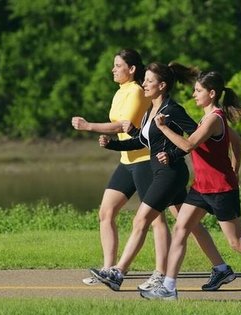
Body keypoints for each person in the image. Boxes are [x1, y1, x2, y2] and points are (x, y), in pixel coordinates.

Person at [140, 71, 241, 302]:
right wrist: (236, 165)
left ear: (211, 93)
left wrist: (163, 128)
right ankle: (169, 288)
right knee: (180, 229)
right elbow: (236, 141)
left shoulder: (214, 118)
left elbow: (189, 144)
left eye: (198, 91)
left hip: (221, 189)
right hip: (201, 187)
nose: (194, 94)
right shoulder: (206, 118)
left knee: (237, 243)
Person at [89, 62, 236, 292]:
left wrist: (174, 153)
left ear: (162, 85)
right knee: (189, 224)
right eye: (145, 80)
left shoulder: (173, 110)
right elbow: (143, 141)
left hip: (170, 174)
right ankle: (221, 268)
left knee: (141, 220)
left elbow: (193, 138)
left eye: (149, 80)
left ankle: (118, 272)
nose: (144, 84)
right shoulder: (151, 109)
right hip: (163, 172)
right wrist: (113, 144)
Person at [71, 49, 176, 290]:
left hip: (143, 161)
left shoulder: (137, 91)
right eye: (114, 65)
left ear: (132, 69)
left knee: (156, 219)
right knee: (106, 213)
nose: (113, 69)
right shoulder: (121, 92)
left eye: (118, 65)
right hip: (126, 161)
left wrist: (89, 126)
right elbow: (120, 126)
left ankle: (161, 272)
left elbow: (121, 124)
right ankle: (108, 269)